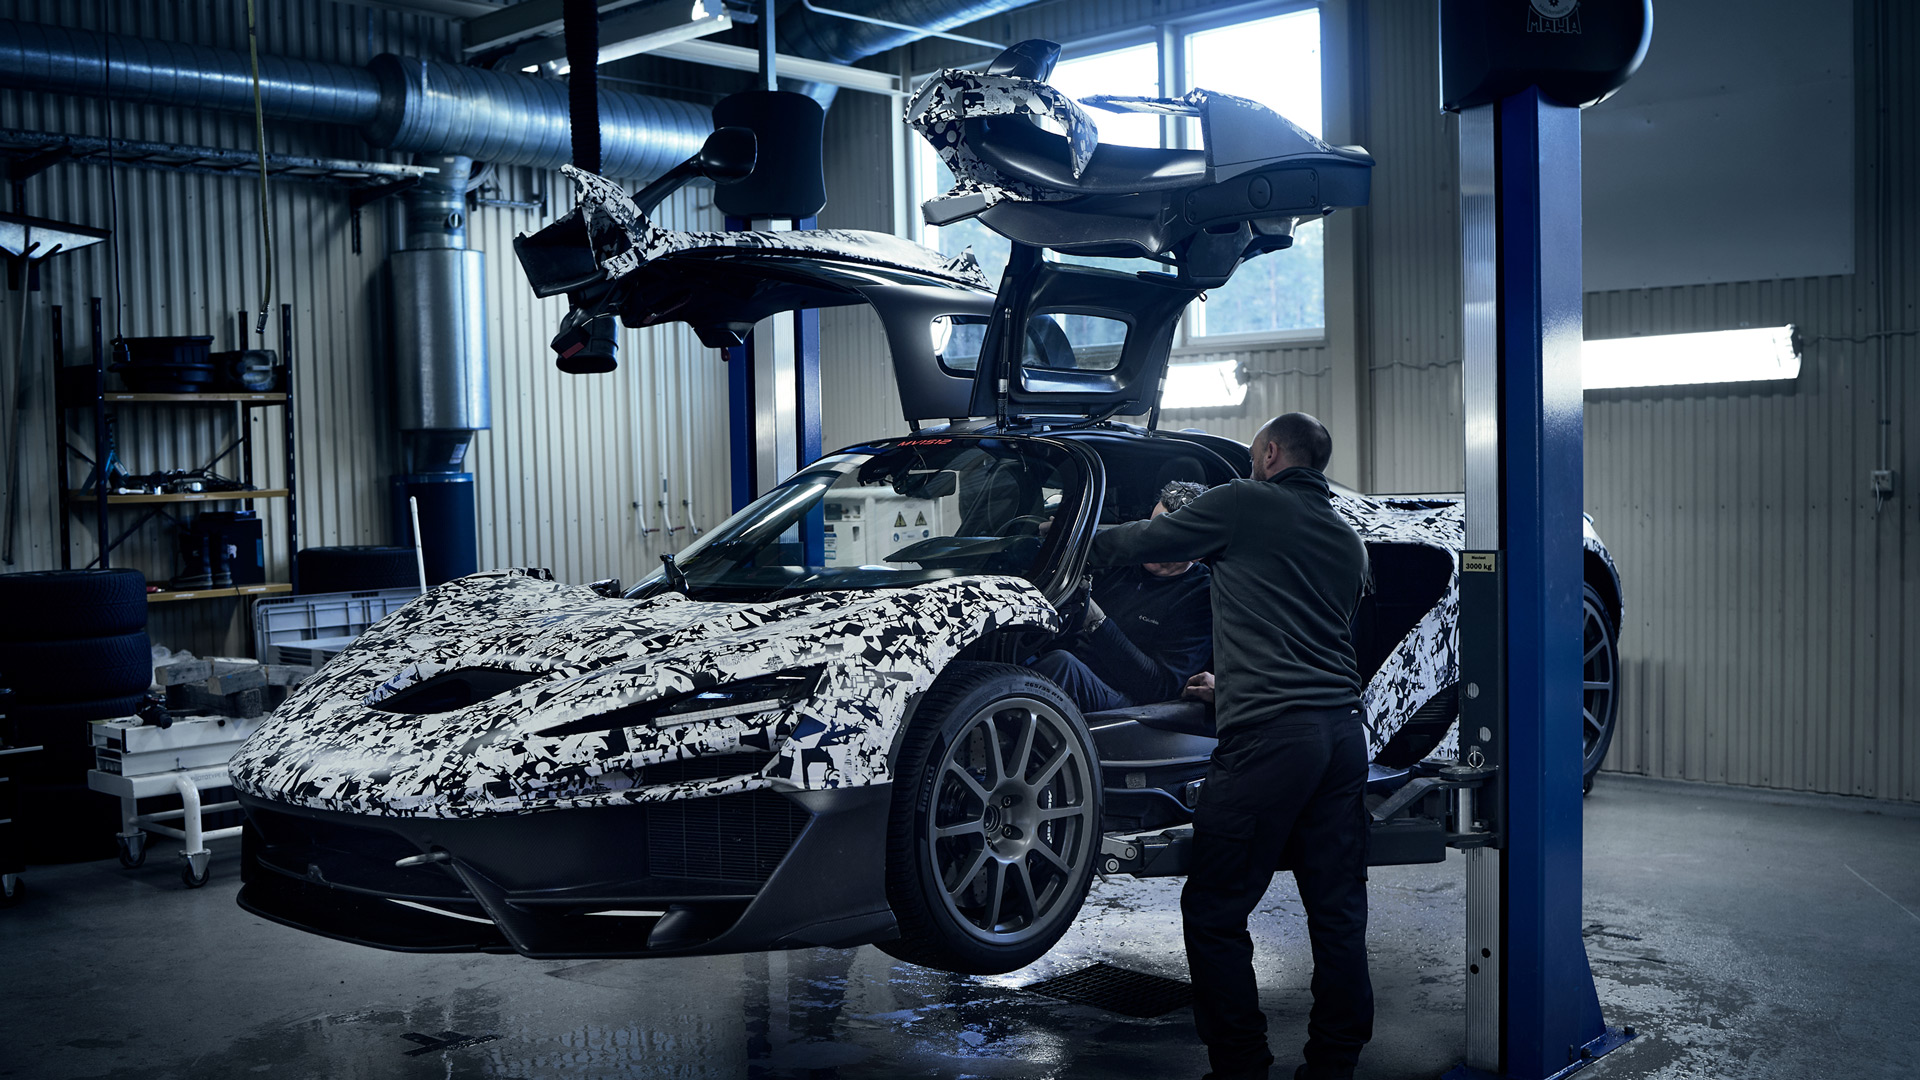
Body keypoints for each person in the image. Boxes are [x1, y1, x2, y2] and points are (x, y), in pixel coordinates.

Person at [1089, 413, 1373, 1080]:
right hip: (1340, 734)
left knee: (1215, 911)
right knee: (1337, 911)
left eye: (1252, 455)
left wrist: (1055, 542)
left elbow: (1147, 539)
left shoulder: (1246, 502)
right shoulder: (1347, 537)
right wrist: (1236, 680)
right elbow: (1311, 636)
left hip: (1270, 740)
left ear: (1270, 453)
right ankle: (1334, 1064)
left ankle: (1240, 1065)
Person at [1030, 481, 1213, 714]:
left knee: (1061, 666)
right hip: (1076, 669)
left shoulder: (1200, 597)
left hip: (1132, 706)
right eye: (1150, 528)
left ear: (1197, 553)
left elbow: (1160, 687)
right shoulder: (1121, 559)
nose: (1151, 541)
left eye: (1166, 537)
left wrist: (1097, 623)